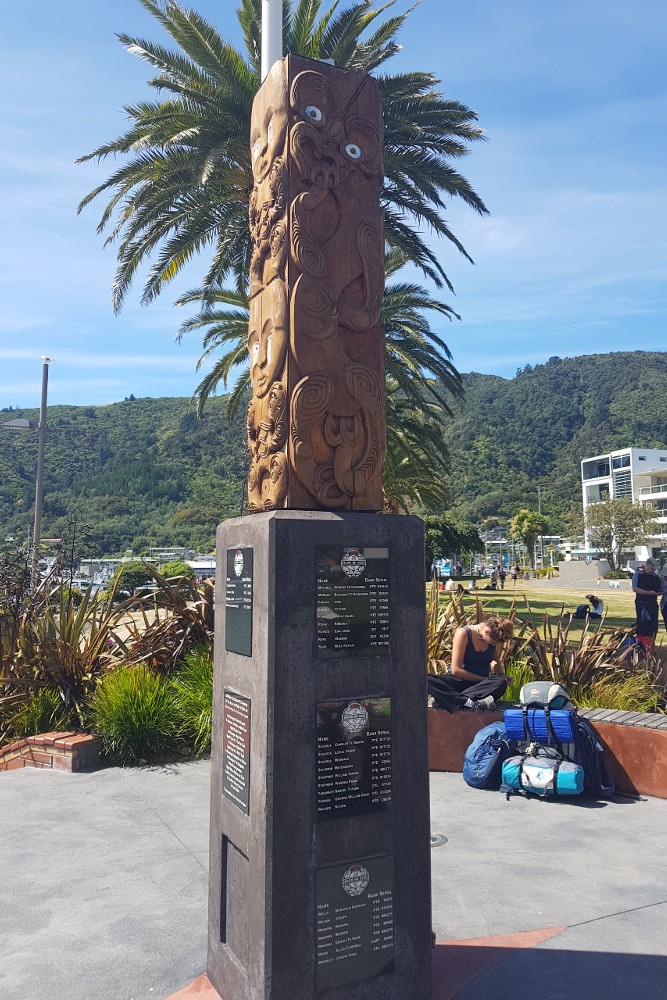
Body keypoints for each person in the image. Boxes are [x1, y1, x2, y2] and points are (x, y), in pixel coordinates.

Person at [427, 618, 514, 713]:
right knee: (425, 678)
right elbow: (456, 670)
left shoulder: (496, 639)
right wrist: (484, 679)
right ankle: (467, 701)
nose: (495, 644)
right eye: (493, 642)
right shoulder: (463, 634)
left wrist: (501, 675)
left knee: (500, 683)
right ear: (487, 631)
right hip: (458, 681)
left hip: (479, 687)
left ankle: (453, 699)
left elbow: (495, 659)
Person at [632, 558, 662, 644]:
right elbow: (635, 588)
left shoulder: (655, 577)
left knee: (653, 626)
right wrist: (648, 593)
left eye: (654, 569)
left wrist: (658, 592)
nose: (653, 570)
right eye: (652, 568)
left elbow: (658, 589)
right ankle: (642, 646)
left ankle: (651, 645)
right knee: (643, 624)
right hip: (642, 603)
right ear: (647, 565)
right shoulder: (638, 574)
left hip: (653, 603)